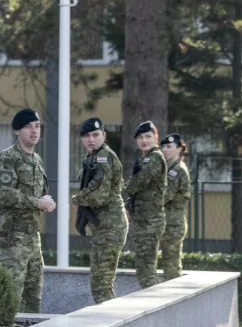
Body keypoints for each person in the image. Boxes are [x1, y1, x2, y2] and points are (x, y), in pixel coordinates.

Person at [0, 108, 54, 313]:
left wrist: (46, 201)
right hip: (13, 238)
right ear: (17, 131)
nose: (34, 131)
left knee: (33, 296)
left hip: (32, 237)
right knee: (11, 295)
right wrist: (38, 202)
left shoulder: (37, 160)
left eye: (37, 126)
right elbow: (3, 194)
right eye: (28, 127)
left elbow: (41, 192)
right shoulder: (8, 158)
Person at [70, 117, 128, 304]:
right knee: (100, 281)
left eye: (95, 135)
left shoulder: (104, 157)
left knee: (101, 283)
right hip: (103, 226)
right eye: (86, 136)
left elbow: (99, 195)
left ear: (104, 135)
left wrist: (77, 199)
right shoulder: (93, 156)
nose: (91, 139)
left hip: (110, 227)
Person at [122, 120, 167, 288]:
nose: (144, 141)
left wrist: (119, 195)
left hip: (151, 220)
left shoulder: (155, 157)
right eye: (140, 137)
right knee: (144, 267)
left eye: (148, 136)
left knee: (146, 269)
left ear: (156, 137)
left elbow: (139, 182)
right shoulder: (144, 158)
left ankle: (154, 306)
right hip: (143, 219)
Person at [159, 133, 191, 281]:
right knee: (169, 262)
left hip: (173, 224)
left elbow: (165, 196)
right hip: (169, 222)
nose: (165, 149)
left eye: (169, 147)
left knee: (171, 266)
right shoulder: (169, 168)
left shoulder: (176, 170)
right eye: (163, 146)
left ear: (179, 149)